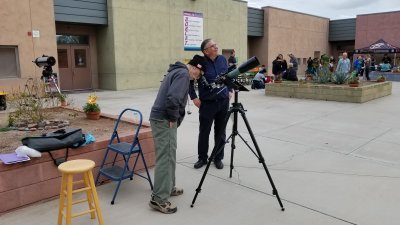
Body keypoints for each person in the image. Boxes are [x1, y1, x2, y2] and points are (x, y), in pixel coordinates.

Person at [149, 55, 206, 214]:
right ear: (195, 68)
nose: (196, 78)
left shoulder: (177, 71)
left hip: (161, 118)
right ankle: (158, 199)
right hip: (164, 120)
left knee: (170, 155)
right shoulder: (183, 74)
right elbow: (173, 98)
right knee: (165, 158)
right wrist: (173, 118)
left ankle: (168, 188)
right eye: (197, 74)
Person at [189, 39, 231, 170]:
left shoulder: (223, 60)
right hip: (207, 103)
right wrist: (194, 98)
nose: (216, 47)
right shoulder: (199, 62)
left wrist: (230, 90)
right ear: (205, 51)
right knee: (204, 131)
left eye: (216, 45)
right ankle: (202, 158)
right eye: (213, 46)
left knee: (221, 132)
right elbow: (188, 80)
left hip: (223, 102)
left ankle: (218, 158)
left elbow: (229, 76)